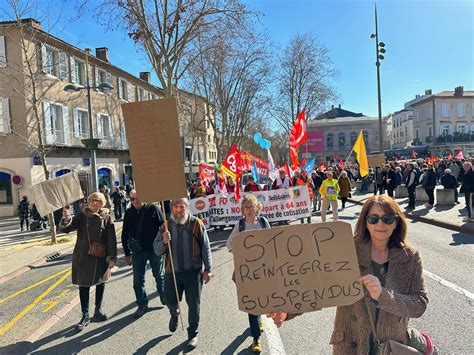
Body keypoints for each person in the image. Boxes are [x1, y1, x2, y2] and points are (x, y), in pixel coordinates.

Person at [267, 195, 434, 354]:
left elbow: (419, 303)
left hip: (392, 347)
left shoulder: (410, 256)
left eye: (387, 219)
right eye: (373, 219)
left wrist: (383, 295)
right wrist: (288, 309)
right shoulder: (347, 248)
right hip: (350, 344)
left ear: (396, 222)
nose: (380, 224)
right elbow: (320, 286)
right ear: (366, 221)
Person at [154, 198, 212, 350]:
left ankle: (193, 334)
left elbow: (205, 247)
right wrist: (164, 242)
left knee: (194, 304)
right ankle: (174, 313)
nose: (179, 210)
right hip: (172, 271)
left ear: (187, 208)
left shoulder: (196, 224)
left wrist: (208, 269)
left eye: (182, 206)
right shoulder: (165, 226)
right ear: (171, 208)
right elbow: (157, 250)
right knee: (169, 299)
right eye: (176, 207)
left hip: (193, 271)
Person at [59, 192, 117, 331]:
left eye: (97, 200)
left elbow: (111, 239)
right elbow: (67, 229)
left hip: (101, 257)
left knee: (101, 283)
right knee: (83, 285)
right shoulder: (82, 215)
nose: (93, 203)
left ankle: (97, 311)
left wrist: (112, 257)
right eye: (91, 200)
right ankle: (85, 315)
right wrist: (66, 219)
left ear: (102, 203)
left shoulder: (107, 217)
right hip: (83, 256)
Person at [226, 195, 270, 353]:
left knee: (262, 298)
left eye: (252, 207)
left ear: (257, 207)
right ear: (242, 210)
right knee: (252, 303)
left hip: (264, 270)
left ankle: (259, 318)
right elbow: (229, 244)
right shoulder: (241, 225)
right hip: (247, 272)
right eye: (246, 207)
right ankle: (256, 338)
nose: (249, 210)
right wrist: (239, 251)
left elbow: (272, 242)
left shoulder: (264, 223)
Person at [122, 190, 165, 318]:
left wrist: (165, 244)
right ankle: (142, 305)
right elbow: (124, 234)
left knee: (159, 276)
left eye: (137, 198)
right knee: (137, 281)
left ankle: (164, 295)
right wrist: (126, 254)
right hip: (137, 252)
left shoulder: (153, 209)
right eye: (132, 199)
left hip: (154, 249)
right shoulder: (129, 213)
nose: (135, 201)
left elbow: (163, 226)